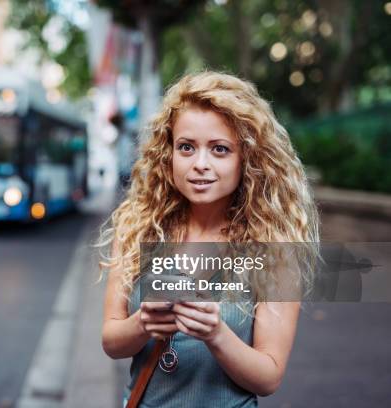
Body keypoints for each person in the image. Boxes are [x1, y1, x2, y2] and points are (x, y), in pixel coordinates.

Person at [97, 71, 319, 407]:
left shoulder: (273, 248)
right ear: (168, 153)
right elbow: (112, 342)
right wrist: (143, 322)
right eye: (186, 147)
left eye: (219, 149)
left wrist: (216, 335)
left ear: (246, 158)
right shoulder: (137, 227)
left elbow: (269, 376)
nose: (200, 164)